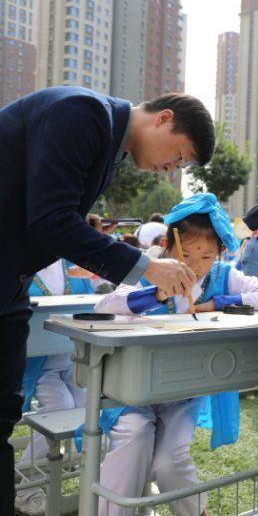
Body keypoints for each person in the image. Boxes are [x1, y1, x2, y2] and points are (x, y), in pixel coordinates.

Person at [0, 87, 214, 511]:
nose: (171, 168)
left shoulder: (105, 142)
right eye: (178, 156)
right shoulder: (82, 114)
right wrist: (146, 266)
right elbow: (51, 221)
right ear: (163, 118)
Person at [91, 193, 258, 516]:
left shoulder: (222, 275)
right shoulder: (148, 270)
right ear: (167, 246)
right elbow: (102, 307)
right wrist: (154, 293)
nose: (196, 266)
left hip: (183, 391)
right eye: (187, 254)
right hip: (133, 391)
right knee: (133, 440)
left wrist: (216, 303)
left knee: (170, 461)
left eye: (207, 256)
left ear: (220, 252)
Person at [15, 260, 94, 515]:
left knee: (87, 409)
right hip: (39, 366)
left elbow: (93, 302)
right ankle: (25, 485)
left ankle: (76, 467)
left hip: (73, 361)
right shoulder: (23, 262)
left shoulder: (73, 263)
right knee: (60, 408)